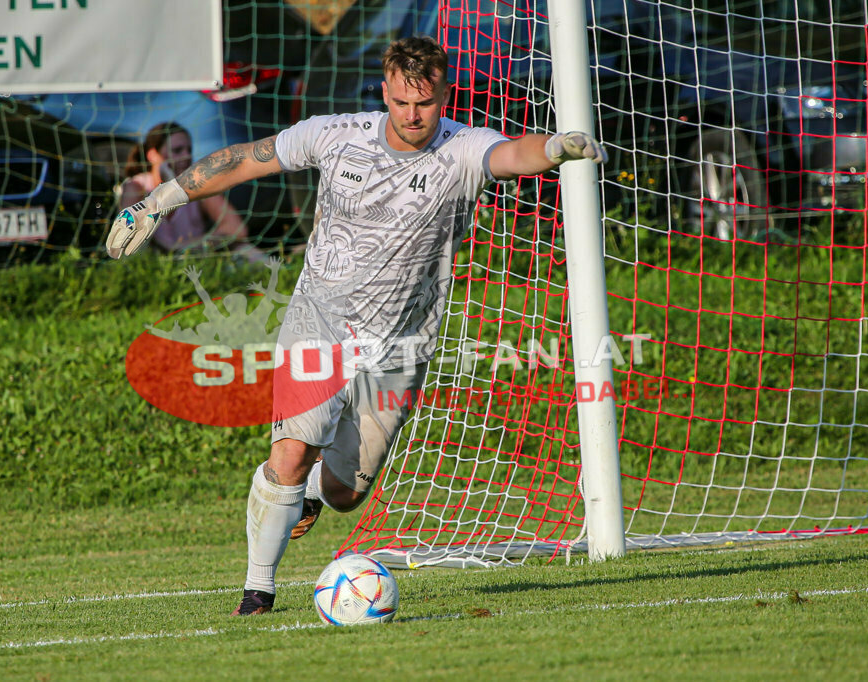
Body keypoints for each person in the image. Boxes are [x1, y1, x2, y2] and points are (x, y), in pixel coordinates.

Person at [106, 36, 604, 616]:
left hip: (399, 346)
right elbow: (245, 158)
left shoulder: (464, 148)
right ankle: (257, 591)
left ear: (444, 95)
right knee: (292, 450)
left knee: (346, 492)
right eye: (400, 102)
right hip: (319, 322)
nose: (412, 116)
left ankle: (312, 493)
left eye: (425, 103)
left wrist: (558, 147)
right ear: (385, 93)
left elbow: (515, 155)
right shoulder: (334, 134)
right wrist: (159, 199)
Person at [119, 121, 269, 263]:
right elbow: (130, 237)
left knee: (246, 250)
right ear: (152, 155)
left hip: (196, 260)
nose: (186, 156)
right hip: (155, 263)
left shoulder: (197, 183)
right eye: (177, 150)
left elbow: (236, 229)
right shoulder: (136, 186)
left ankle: (282, 278)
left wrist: (187, 247)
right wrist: (167, 191)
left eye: (189, 150)